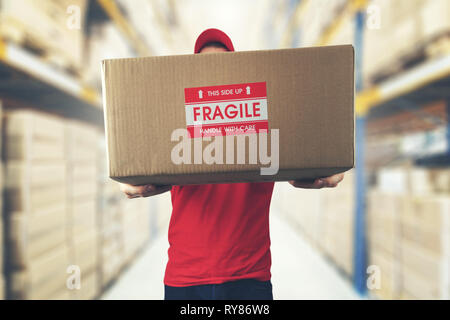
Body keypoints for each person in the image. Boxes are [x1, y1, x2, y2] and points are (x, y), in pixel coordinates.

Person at [120, 28, 345, 300]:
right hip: (186, 277)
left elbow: (308, 153)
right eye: (203, 65)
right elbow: (141, 167)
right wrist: (136, 185)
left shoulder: (266, 117)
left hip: (248, 277)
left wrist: (326, 170)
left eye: (222, 63)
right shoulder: (176, 121)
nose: (214, 71)